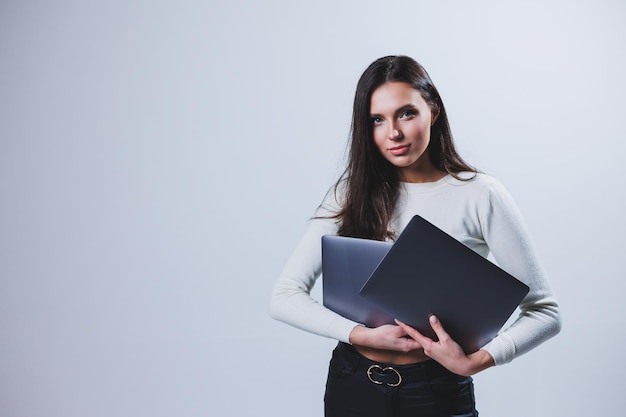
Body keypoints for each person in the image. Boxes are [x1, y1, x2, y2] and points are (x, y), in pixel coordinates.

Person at [269, 55, 561, 417]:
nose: (393, 132)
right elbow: (283, 296)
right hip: (353, 383)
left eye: (406, 113)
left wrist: (478, 361)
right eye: (377, 119)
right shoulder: (351, 192)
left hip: (435, 391)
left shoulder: (481, 194)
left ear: (433, 110)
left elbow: (545, 312)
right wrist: (360, 335)